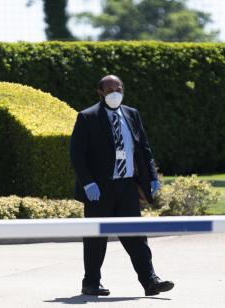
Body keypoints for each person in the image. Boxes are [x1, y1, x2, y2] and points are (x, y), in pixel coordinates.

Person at [70, 75, 174, 296]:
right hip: (99, 189)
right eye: (110, 90)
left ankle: (150, 281)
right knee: (96, 238)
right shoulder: (87, 117)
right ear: (100, 92)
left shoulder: (131, 114)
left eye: (118, 88)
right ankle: (91, 283)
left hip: (126, 186)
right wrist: (88, 183)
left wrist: (153, 176)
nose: (115, 93)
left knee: (136, 236)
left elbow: (143, 147)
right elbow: (77, 154)